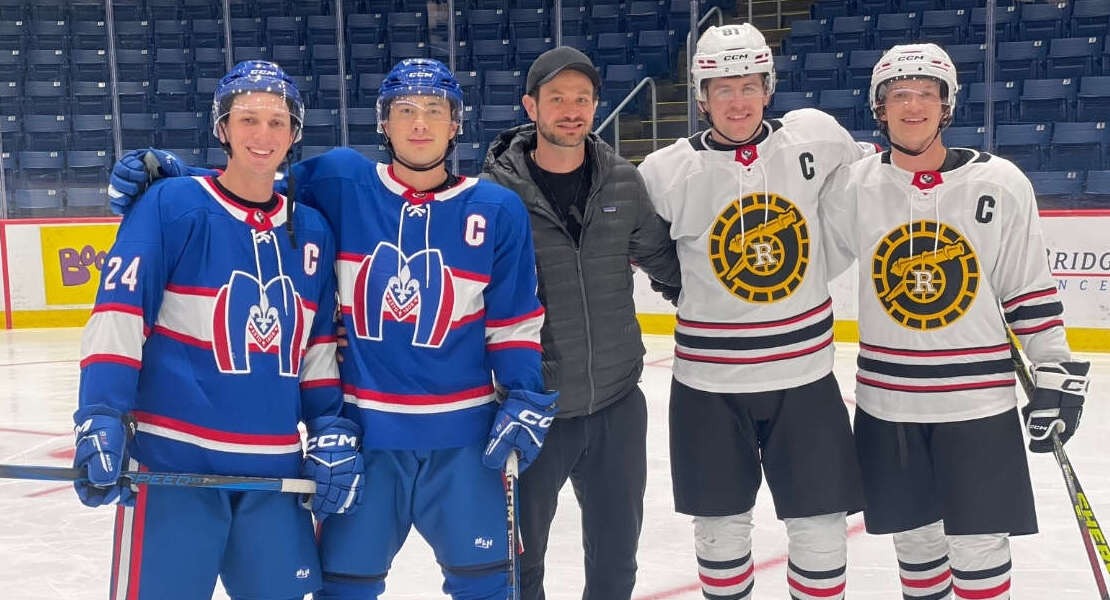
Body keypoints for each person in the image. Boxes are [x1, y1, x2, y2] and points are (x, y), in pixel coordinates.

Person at [104, 57, 557, 600]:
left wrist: (524, 393)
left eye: (434, 111)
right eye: (405, 111)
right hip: (364, 440)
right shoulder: (342, 180)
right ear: (382, 122)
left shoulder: (497, 209)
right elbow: (253, 181)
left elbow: (511, 323)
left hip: (464, 440)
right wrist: (175, 181)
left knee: (489, 588)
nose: (419, 124)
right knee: (344, 589)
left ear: (456, 123)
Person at [73, 60, 364, 600]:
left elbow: (317, 348)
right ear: (222, 128)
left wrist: (328, 425)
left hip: (274, 474)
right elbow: (118, 314)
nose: (264, 134)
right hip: (172, 467)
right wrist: (101, 413)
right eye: (248, 119)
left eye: (278, 122)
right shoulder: (171, 206)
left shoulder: (314, 231)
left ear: (295, 134)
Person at [820, 43, 1091, 600]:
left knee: (980, 549)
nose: (912, 105)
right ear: (880, 107)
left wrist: (1056, 372)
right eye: (899, 94)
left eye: (926, 93)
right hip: (887, 403)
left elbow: (1027, 290)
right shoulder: (853, 188)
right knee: (916, 547)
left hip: (977, 404)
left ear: (947, 105)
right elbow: (804, 265)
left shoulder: (1001, 183)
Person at [636, 23, 873, 599]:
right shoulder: (663, 172)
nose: (736, 101)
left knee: (820, 532)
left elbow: (875, 187)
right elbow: (640, 250)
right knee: (718, 535)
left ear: (768, 88)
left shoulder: (815, 137)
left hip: (805, 377)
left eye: (748, 85)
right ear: (701, 97)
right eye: (721, 88)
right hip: (708, 383)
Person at [481, 46, 681, 600]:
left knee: (616, 563)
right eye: (557, 99)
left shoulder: (621, 180)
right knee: (523, 566)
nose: (571, 111)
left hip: (616, 406)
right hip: (531, 411)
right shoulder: (494, 195)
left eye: (583, 99)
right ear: (531, 106)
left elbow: (666, 263)